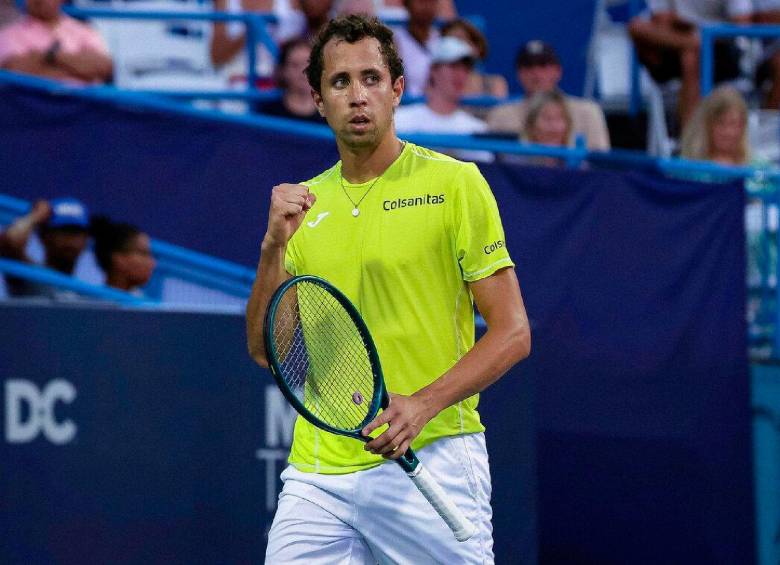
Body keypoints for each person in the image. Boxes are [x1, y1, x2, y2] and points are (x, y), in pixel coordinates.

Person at [245, 14, 530, 563]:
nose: (358, 96)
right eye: (341, 82)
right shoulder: (301, 207)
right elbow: (267, 351)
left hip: (435, 454)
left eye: (372, 78)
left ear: (397, 89)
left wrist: (421, 406)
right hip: (320, 471)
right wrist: (272, 248)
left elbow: (513, 332)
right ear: (318, 99)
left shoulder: (456, 185)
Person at [627, 0, 752, 125]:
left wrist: (700, 29)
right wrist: (692, 34)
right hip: (678, 41)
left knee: (691, 56)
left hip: (722, 47)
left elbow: (741, 25)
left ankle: (689, 137)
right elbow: (662, 19)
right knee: (637, 27)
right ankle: (693, 43)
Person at [485, 40, 610, 151]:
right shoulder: (500, 114)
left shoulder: (588, 111)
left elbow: (600, 162)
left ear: (558, 71)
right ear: (519, 73)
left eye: (543, 65)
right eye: (528, 66)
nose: (536, 73)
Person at [394, 35, 493, 162]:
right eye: (453, 66)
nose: (460, 75)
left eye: (466, 68)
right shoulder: (400, 120)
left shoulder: (478, 129)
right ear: (434, 70)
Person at [0, 0, 112, 84]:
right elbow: (14, 71)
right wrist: (80, 71)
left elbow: (102, 67)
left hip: (82, 106)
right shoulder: (8, 34)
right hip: (29, 107)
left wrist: (49, 56)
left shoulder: (83, 30)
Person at [0, 197, 90, 299]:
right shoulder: (29, 277)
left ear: (86, 239)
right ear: (43, 235)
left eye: (77, 232)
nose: (70, 239)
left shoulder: (91, 293)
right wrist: (34, 217)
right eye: (63, 231)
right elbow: (9, 242)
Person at [255, 37, 326, 122]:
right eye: (295, 65)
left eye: (309, 64)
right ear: (283, 71)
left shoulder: (333, 115)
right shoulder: (267, 113)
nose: (304, 71)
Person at [679, 85, 749, 165]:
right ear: (707, 125)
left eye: (733, 123)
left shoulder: (756, 167)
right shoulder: (688, 166)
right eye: (721, 123)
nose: (728, 131)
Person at [440, 18, 508, 99]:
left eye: (460, 40)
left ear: (477, 48)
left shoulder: (495, 84)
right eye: (449, 42)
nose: (454, 47)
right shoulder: (434, 85)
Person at [90, 216, 156, 295]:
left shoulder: (147, 305)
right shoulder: (88, 304)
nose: (152, 263)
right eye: (143, 254)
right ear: (118, 259)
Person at [391, 0, 440, 97]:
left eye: (432, 2)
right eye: (420, 1)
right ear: (407, 4)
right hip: (406, 106)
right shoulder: (395, 40)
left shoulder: (443, 38)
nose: (426, 6)